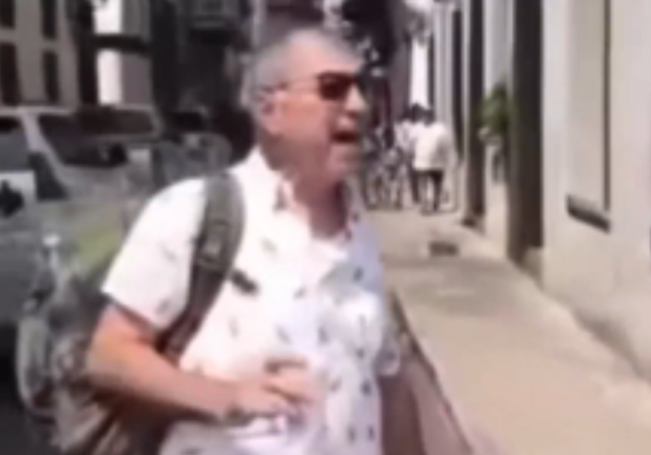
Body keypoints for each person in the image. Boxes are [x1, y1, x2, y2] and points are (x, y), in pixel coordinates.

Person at [86, 27, 421, 455]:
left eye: (362, 87)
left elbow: (387, 381)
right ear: (269, 110)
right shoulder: (191, 212)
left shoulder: (362, 232)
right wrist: (223, 397)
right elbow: (110, 355)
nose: (358, 105)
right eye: (332, 89)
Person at [410, 109, 454, 214]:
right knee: (434, 183)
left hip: (425, 161)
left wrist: (413, 154)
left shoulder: (417, 128)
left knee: (427, 184)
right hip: (433, 161)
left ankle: (427, 206)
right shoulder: (441, 129)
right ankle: (433, 205)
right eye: (425, 116)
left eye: (426, 116)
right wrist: (446, 158)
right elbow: (446, 145)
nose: (425, 118)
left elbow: (411, 143)